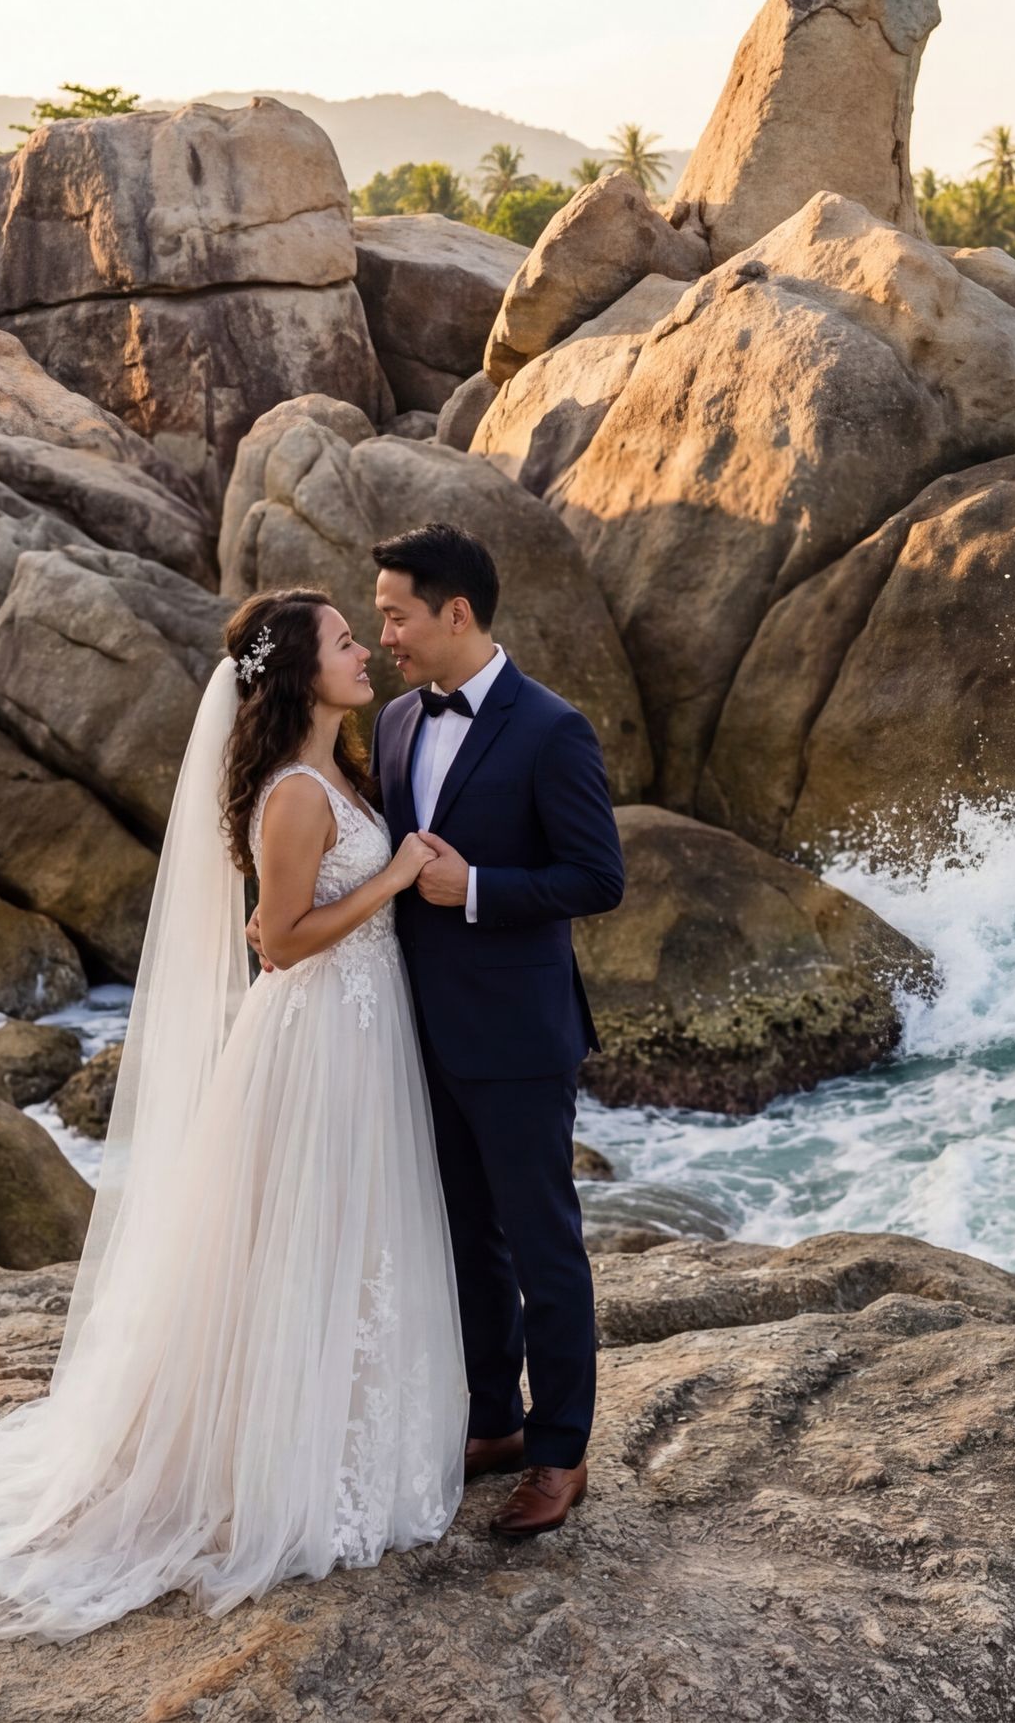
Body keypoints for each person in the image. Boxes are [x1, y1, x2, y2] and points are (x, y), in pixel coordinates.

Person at [0, 589, 468, 1639]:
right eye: (345, 641)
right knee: (299, 1243)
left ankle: (336, 1445)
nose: (364, 652)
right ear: (300, 672)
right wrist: (392, 875)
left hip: (361, 1031)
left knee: (344, 1239)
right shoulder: (297, 794)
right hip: (315, 1043)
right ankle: (272, 1474)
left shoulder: (341, 768)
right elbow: (280, 941)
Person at [356, 523, 624, 1536]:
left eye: (396, 614)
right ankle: (493, 1417)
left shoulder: (554, 729)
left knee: (544, 1246)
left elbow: (598, 878)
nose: (386, 632)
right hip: (418, 1034)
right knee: (465, 1241)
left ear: (454, 613)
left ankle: (562, 1453)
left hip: (517, 1037)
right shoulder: (390, 724)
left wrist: (476, 889)